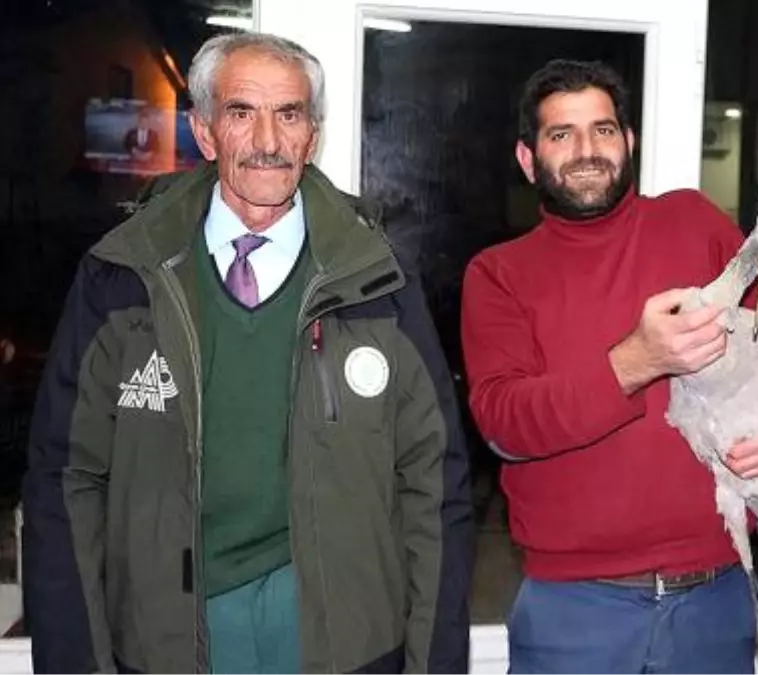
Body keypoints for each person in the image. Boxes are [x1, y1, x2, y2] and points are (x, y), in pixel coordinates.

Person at [22, 32, 473, 675]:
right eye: (242, 113)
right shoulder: (122, 277)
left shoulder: (380, 283)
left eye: (288, 114)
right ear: (205, 133)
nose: (267, 141)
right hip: (172, 632)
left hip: (340, 635)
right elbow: (65, 481)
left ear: (311, 134)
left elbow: (435, 490)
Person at [459, 59, 758, 675]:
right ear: (529, 159)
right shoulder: (498, 274)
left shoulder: (692, 224)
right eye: (562, 135)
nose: (587, 150)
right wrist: (636, 361)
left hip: (716, 597)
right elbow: (505, 425)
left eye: (603, 130)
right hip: (574, 610)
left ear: (629, 142)